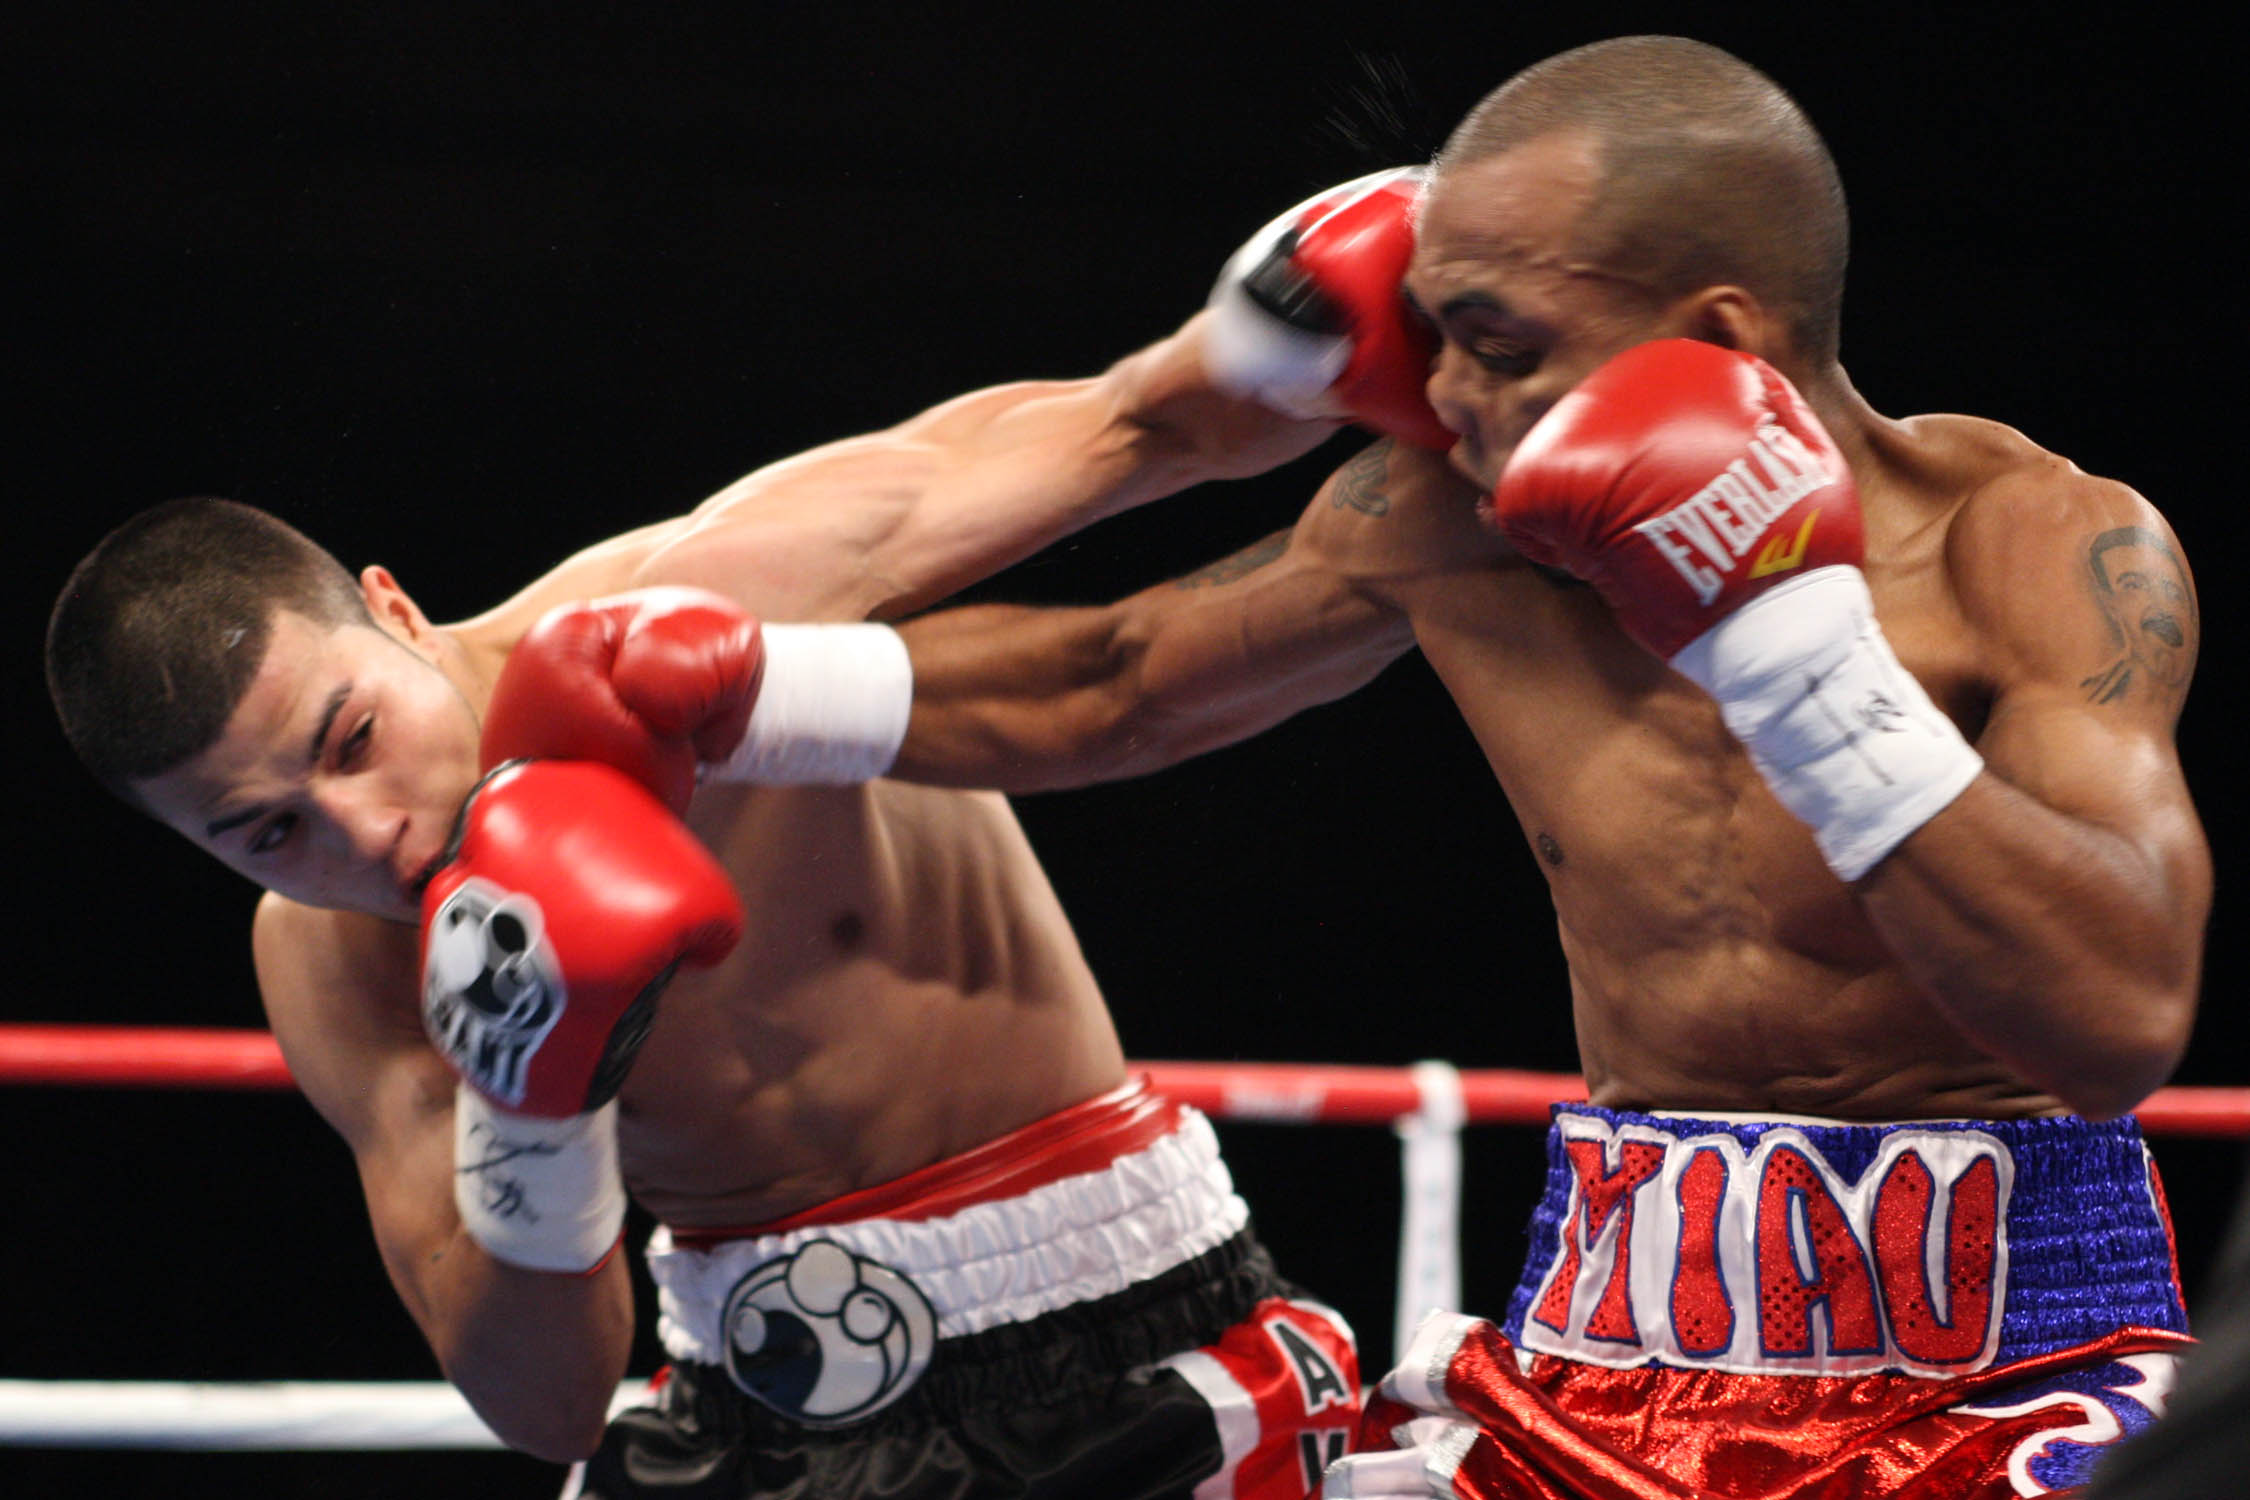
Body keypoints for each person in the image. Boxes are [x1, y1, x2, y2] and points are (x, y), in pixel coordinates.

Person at [885, 36, 2210, 1499]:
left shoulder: (2027, 547)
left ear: (1719, 338)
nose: (1440, 392)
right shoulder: (1440, 523)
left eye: (1500, 345)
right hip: (1596, 1364)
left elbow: (2117, 1021)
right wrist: (726, 686)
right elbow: (1113, 680)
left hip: (2012, 1378)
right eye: (1429, 331)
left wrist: (1797, 659)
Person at [43, 314, 1370, 1498]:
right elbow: (549, 1408)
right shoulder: (331, 960)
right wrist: (532, 1110)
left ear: (394, 614)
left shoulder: (698, 603)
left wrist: (1332, 325)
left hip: (1121, 1327)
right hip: (756, 1409)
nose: (369, 837)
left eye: (350, 739)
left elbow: (1131, 425)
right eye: (269, 833)